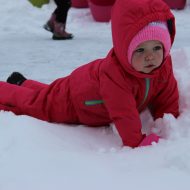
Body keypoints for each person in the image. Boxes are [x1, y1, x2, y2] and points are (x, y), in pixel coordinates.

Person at [0, 0, 179, 148]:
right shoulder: (116, 76)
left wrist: (169, 124)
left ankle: (22, 82)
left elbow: (167, 97)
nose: (150, 56)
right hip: (77, 100)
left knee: (48, 94)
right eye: (140, 50)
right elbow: (124, 114)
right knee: (38, 104)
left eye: (157, 47)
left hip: (85, 85)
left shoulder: (163, 66)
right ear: (125, 50)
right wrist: (139, 143)